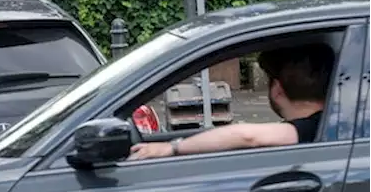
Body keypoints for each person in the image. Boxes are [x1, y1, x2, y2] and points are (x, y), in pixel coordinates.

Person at [129, 44, 333, 161]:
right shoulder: (334, 121)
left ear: (277, 89)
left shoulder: (310, 128)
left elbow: (247, 136)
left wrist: (172, 149)